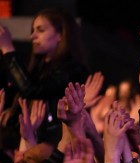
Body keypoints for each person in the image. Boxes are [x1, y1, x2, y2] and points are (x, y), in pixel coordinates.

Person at [0, 7, 89, 148]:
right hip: (21, 147)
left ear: (61, 35)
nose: (32, 36)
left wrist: (8, 49)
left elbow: (33, 90)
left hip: (50, 149)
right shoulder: (37, 69)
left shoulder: (72, 69)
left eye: (40, 30)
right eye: (33, 31)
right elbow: (16, 94)